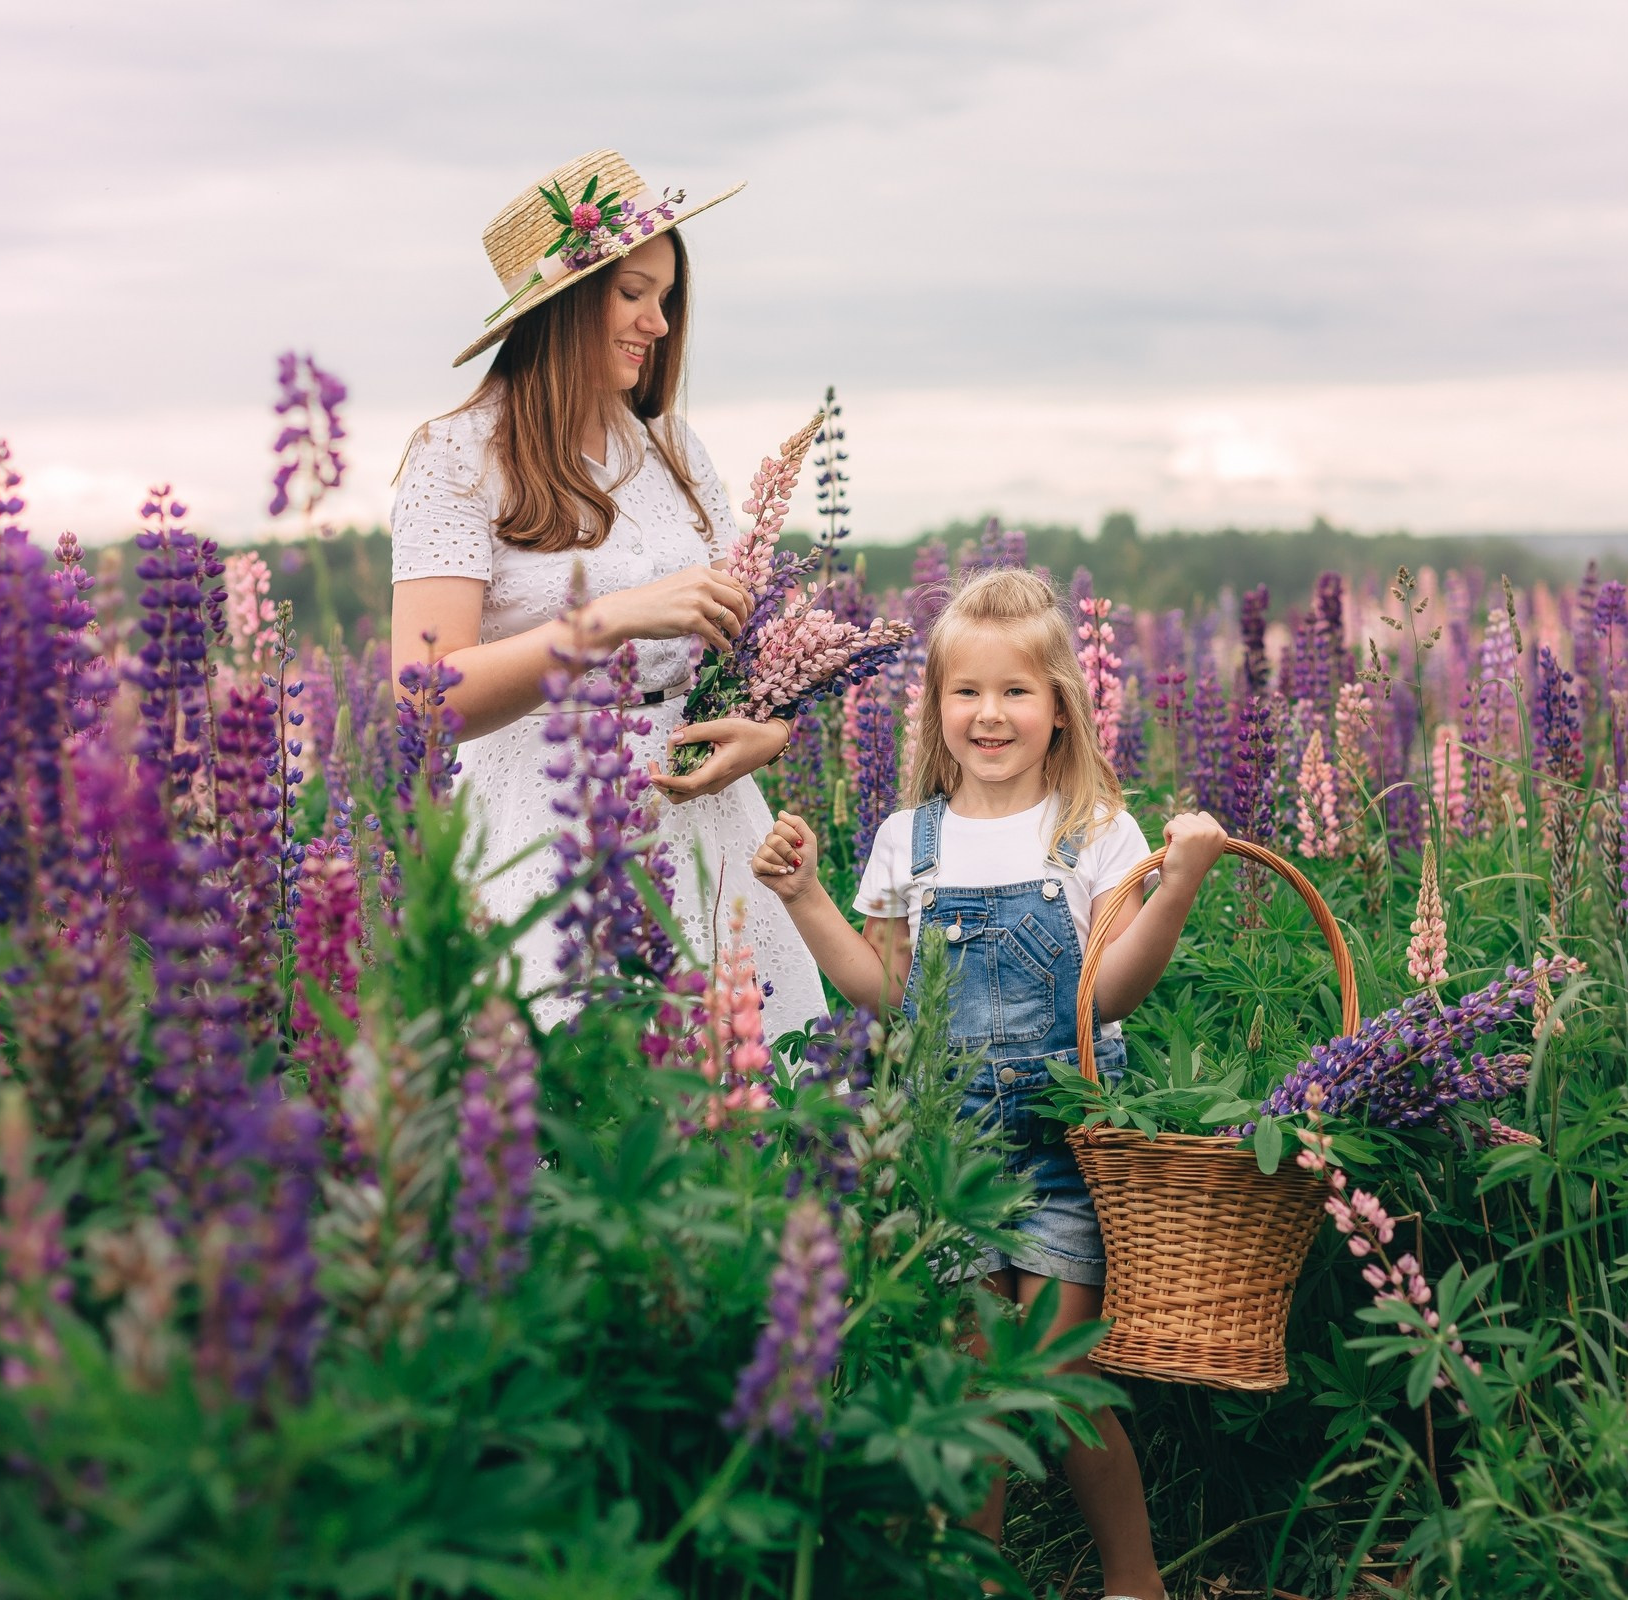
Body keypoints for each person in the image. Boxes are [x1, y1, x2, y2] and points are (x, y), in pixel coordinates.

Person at [751, 566, 1226, 1600]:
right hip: (945, 1149)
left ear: (1060, 706)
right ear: (935, 706)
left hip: (1064, 1147)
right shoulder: (904, 838)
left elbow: (1110, 996)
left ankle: (1134, 1581)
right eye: (966, 691)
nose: (990, 713)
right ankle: (979, 1578)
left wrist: (1176, 885)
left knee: (1060, 1383)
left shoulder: (1097, 829)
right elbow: (884, 987)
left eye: (1016, 691)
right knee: (966, 1391)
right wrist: (802, 894)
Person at [390, 148, 823, 1032]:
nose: (659, 324)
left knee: (746, 1116)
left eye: (665, 298)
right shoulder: (457, 455)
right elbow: (424, 699)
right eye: (633, 293)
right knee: (572, 1116)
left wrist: (766, 734)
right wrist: (608, 622)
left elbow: (756, 649)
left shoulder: (672, 448)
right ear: (564, 303)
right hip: (543, 825)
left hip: (705, 818)